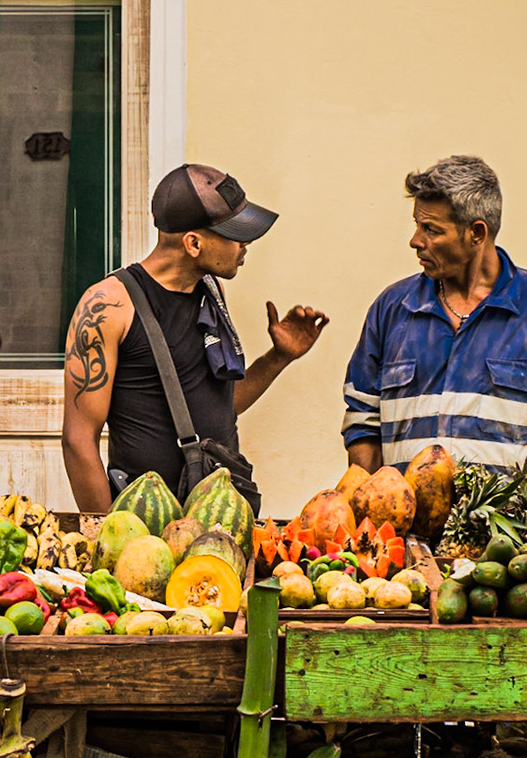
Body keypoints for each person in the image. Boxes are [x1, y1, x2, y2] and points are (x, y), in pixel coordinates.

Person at [62, 163, 329, 514]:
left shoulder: (210, 290)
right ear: (193, 243)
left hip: (219, 517)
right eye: (234, 233)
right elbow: (78, 441)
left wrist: (279, 357)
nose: (245, 243)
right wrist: (106, 535)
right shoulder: (108, 307)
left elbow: (217, 406)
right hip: (145, 529)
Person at [341, 155, 527, 473]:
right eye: (417, 225)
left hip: (514, 522)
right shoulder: (392, 309)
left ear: (477, 233)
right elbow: (363, 419)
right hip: (406, 522)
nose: (415, 241)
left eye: (431, 229)